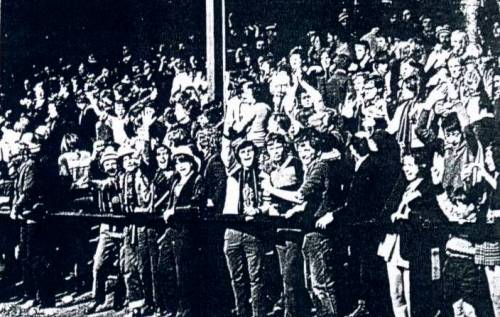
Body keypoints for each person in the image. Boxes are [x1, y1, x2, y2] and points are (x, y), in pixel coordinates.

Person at [262, 128, 351, 317]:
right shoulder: (316, 166)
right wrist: (297, 209)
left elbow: (298, 195)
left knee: (322, 286)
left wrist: (270, 188)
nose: (303, 153)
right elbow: (310, 200)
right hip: (310, 230)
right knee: (315, 286)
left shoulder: (319, 167)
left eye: (307, 148)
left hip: (318, 233)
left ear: (317, 148)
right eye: (300, 148)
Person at [378, 151, 447, 317]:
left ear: (421, 166)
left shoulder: (427, 188)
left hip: (412, 246)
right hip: (394, 244)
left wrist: (407, 216)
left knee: (412, 295)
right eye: (404, 165)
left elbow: (432, 218)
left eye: (410, 165)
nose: (406, 169)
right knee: (396, 293)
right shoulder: (402, 186)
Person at [222, 140, 267, 317]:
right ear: (238, 156)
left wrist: (258, 210)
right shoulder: (233, 174)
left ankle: (258, 314)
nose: (247, 155)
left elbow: (268, 203)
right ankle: (242, 312)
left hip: (252, 231)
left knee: (256, 278)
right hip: (232, 229)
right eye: (243, 152)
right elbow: (226, 150)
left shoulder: (262, 175)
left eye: (250, 151)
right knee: (237, 278)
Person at [162, 145, 206, 317]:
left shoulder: (197, 179)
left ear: (192, 163)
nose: (181, 166)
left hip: (188, 232)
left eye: (185, 161)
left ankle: (186, 310)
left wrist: (175, 211)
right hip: (173, 230)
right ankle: (172, 307)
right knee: (165, 268)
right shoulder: (175, 182)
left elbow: (196, 205)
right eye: (178, 162)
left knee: (185, 273)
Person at [86, 146, 125, 314]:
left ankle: (121, 298)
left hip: (124, 227)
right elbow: (89, 179)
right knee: (98, 264)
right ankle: (98, 298)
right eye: (107, 163)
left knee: (125, 265)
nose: (111, 166)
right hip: (107, 228)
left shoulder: (124, 177)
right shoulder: (100, 183)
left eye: (113, 162)